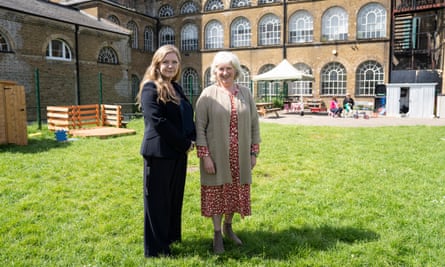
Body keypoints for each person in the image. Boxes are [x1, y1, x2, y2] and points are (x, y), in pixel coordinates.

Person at [194, 51, 261, 254]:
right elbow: (199, 128)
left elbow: (254, 124)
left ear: (235, 71)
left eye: (228, 68)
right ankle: (216, 234)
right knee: (216, 194)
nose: (224, 73)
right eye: (221, 69)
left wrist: (253, 152)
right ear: (215, 71)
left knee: (234, 193)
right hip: (216, 156)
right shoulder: (207, 95)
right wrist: (205, 156)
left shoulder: (245, 93)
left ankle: (228, 227)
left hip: (239, 156)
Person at [136, 45, 196, 257]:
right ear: (157, 64)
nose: (170, 66)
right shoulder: (150, 88)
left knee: (173, 198)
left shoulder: (176, 88)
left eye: (174, 62)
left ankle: (171, 237)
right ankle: (156, 248)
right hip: (159, 154)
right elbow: (159, 122)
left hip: (178, 154)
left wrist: (192, 138)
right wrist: (183, 143)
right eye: (166, 62)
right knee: (157, 202)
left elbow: (186, 115)